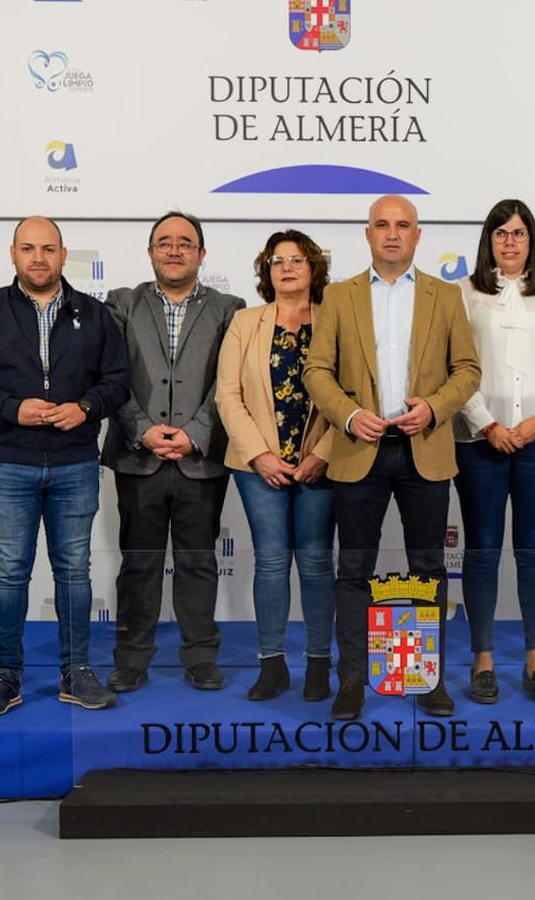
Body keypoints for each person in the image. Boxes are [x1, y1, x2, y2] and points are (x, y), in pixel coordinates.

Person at [302, 195, 481, 720]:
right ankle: (353, 677)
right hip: (359, 450)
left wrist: (434, 408)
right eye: (382, 224)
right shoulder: (339, 296)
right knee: (354, 569)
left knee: (427, 568)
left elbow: (467, 370)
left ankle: (425, 678)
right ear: (368, 234)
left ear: (418, 235)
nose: (393, 234)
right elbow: (317, 371)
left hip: (425, 450)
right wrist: (351, 416)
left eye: (403, 225)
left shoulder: (445, 295)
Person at [0, 215, 130, 716]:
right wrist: (13, 409)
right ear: (13, 254)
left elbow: (118, 380)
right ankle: (6, 675)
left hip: (74, 464)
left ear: (63, 255)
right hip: (9, 463)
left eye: (48, 248)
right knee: (9, 574)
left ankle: (77, 672)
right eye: (28, 248)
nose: (39, 258)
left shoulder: (93, 314)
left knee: (74, 572)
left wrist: (86, 407)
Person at [102, 212, 245, 695]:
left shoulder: (230, 308)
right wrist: (141, 429)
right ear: (150, 252)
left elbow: (231, 382)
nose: (175, 250)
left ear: (202, 254)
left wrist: (195, 433)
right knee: (139, 563)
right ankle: (131, 659)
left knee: (198, 562)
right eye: (164, 242)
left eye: (186, 243)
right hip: (136, 455)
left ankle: (201, 658)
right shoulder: (120, 303)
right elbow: (110, 376)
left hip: (200, 458)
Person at [454, 199, 535, 704]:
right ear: (488, 241)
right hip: (478, 441)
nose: (509, 241)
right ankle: (483, 658)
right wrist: (487, 423)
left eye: (519, 233)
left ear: (533, 240)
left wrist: (534, 421)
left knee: (533, 549)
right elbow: (454, 367)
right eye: (500, 233)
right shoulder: (463, 294)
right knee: (482, 550)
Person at [215, 229, 337, 702]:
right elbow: (227, 395)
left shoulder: (336, 320)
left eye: (296, 259)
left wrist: (322, 455)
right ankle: (272, 664)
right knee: (269, 562)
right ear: (267, 271)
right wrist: (260, 455)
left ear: (313, 268)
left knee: (315, 562)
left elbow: (351, 395)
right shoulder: (246, 322)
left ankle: (318, 665)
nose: (286, 267)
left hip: (319, 464)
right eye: (277, 260)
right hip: (257, 465)